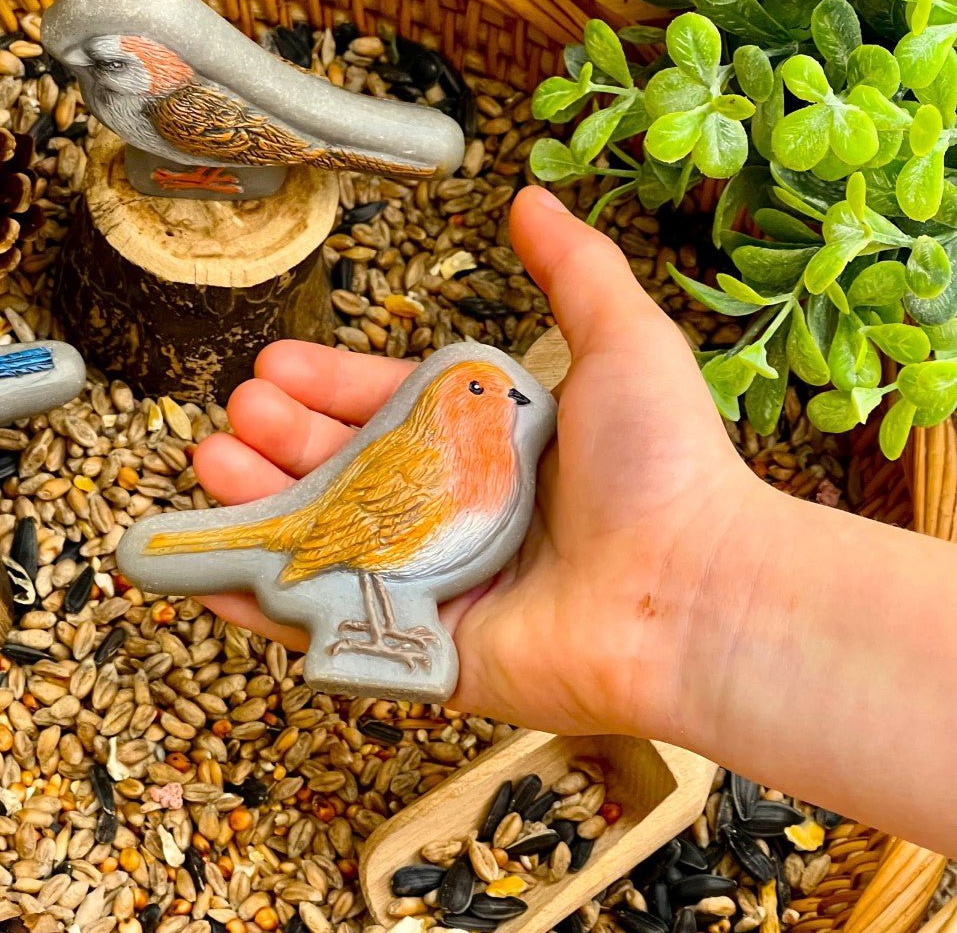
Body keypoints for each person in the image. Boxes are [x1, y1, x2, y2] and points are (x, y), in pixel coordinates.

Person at [190, 186, 957, 856]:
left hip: (402, 565)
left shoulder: (490, 462)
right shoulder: (434, 465)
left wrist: (700, 569)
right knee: (352, 564)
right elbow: (369, 540)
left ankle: (349, 615)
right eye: (482, 393)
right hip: (360, 552)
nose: (508, 400)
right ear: (454, 405)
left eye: (498, 392)